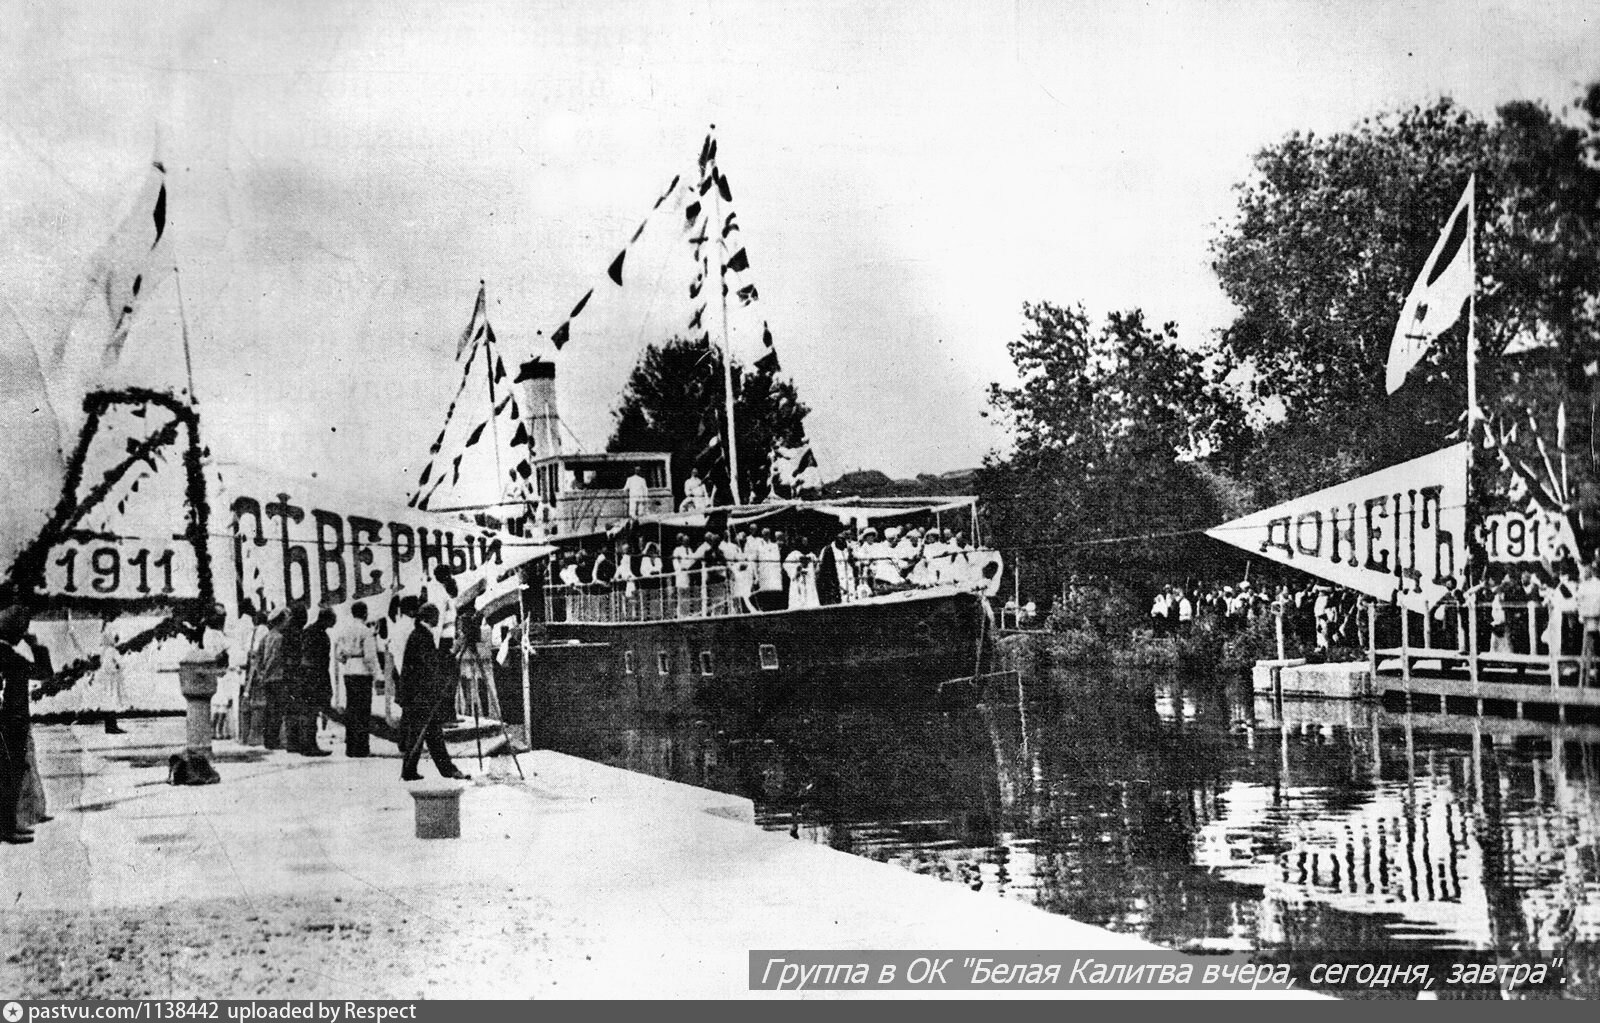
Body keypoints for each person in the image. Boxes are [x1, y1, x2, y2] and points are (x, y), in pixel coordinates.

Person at [398, 604, 469, 782]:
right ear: (429, 617)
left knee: (427, 733)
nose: (438, 619)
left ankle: (412, 770)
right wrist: (452, 652)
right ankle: (445, 770)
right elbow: (431, 663)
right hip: (420, 696)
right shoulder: (422, 636)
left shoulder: (419, 634)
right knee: (427, 733)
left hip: (416, 695)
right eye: (436, 615)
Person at [1, 602, 49, 844]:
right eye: (21, 628)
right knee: (9, 776)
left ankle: (8, 826)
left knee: (10, 776)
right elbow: (42, 672)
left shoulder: (6, 653)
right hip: (11, 723)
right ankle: (6, 828)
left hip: (10, 721)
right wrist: (36, 646)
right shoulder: (7, 654)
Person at [331, 601, 379, 757]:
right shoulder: (366, 631)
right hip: (362, 671)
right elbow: (370, 656)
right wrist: (376, 673)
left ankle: (351, 747)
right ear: (365, 613)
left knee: (351, 709)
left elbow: (338, 655)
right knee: (363, 711)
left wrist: (346, 659)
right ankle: (362, 747)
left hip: (349, 670)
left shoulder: (345, 630)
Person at [291, 608, 333, 757]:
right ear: (326, 619)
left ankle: (305, 744)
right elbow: (319, 660)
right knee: (311, 711)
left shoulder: (309, 631)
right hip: (314, 677)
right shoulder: (319, 634)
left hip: (306, 676)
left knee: (307, 711)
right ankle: (310, 746)